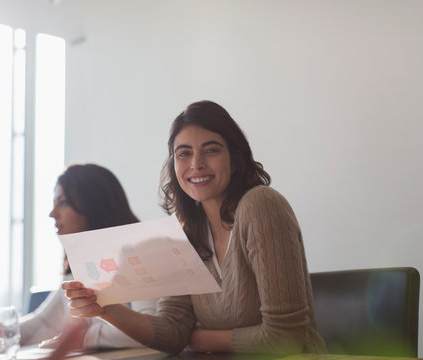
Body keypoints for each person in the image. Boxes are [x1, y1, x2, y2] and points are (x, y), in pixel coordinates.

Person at [59, 101, 326, 355]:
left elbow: (285, 339)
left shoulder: (261, 205)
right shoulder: (185, 232)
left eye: (211, 150)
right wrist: (104, 309)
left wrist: (196, 339)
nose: (196, 164)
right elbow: (173, 331)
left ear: (235, 159)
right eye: (184, 153)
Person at [0, 163, 157, 350]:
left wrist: (83, 338)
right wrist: (3, 331)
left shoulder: (138, 254)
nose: (52, 214)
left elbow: (154, 329)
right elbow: (45, 322)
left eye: (63, 203)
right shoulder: (81, 263)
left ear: (94, 204)